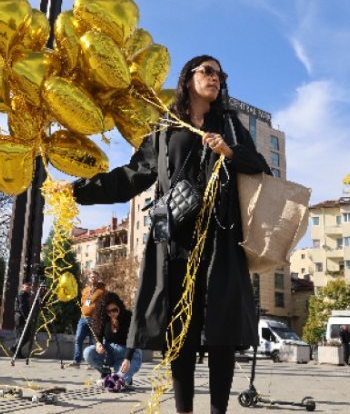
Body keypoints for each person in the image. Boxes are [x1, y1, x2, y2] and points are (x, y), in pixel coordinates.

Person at [73, 55, 272, 413]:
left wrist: (230, 151)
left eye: (221, 74)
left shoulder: (229, 123)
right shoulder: (165, 129)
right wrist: (78, 190)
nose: (217, 78)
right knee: (180, 334)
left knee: (222, 334)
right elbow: (132, 176)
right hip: (175, 244)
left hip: (220, 243)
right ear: (188, 77)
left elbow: (260, 166)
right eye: (208, 71)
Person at [83, 292, 143, 388]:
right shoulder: (104, 318)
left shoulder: (129, 317)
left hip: (129, 353)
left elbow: (133, 340)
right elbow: (98, 334)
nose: (112, 313)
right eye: (108, 311)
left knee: (116, 383)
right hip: (110, 351)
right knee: (88, 352)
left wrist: (127, 359)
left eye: (114, 310)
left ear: (119, 306)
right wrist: (98, 343)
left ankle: (124, 378)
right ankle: (106, 373)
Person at [69, 271, 106, 368]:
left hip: (95, 319)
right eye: (91, 277)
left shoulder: (102, 290)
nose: (93, 278)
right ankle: (76, 362)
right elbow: (83, 302)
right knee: (78, 339)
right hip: (83, 318)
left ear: (98, 278)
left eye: (95, 277)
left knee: (92, 341)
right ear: (89, 278)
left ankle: (92, 363)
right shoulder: (85, 290)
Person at [12, 282, 34, 357]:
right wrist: (26, 318)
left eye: (29, 288)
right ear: (22, 287)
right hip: (21, 317)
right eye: (26, 287)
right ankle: (14, 348)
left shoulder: (25, 295)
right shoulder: (22, 294)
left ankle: (18, 353)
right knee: (26, 335)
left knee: (20, 336)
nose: (28, 289)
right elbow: (23, 307)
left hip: (19, 316)